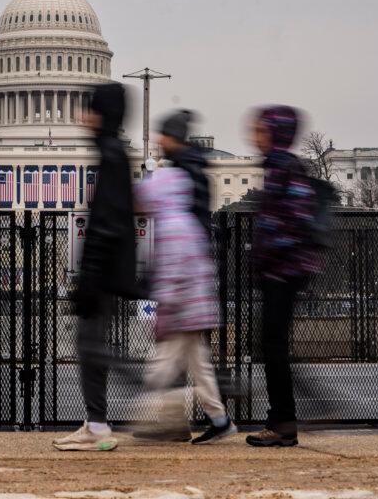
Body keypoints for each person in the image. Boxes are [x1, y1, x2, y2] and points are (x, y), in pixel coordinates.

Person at [54, 82, 139, 451]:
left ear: (103, 114)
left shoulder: (112, 155)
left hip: (102, 271)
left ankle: (104, 420)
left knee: (91, 347)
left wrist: (90, 277)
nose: (81, 116)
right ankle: (97, 422)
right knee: (92, 346)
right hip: (106, 269)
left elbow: (107, 223)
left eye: (90, 109)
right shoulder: (113, 153)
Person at [134, 160, 237, 445]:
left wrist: (164, 310)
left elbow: (171, 272)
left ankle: (148, 415)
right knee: (200, 369)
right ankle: (220, 420)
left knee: (161, 368)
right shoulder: (185, 221)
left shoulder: (170, 226)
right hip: (196, 308)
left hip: (182, 310)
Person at [246, 105, 322, 448]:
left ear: (276, 133)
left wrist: (265, 253)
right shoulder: (281, 167)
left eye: (261, 130)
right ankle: (284, 419)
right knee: (271, 345)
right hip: (282, 268)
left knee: (272, 346)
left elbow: (292, 221)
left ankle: (284, 421)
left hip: (283, 270)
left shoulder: (284, 167)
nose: (254, 136)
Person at [156, 110, 210, 230]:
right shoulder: (182, 163)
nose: (160, 141)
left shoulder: (189, 167)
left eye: (165, 135)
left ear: (174, 138)